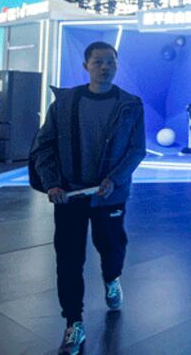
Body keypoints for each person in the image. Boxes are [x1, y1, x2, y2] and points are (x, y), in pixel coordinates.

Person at [31, 41, 146, 355]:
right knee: (68, 261)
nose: (104, 67)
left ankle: (111, 279)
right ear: (86, 66)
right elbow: (44, 147)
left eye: (110, 62)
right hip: (69, 196)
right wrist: (52, 183)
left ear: (116, 65)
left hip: (111, 195)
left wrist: (115, 178)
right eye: (98, 62)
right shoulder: (65, 103)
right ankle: (73, 323)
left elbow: (137, 150)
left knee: (112, 247)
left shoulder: (130, 104)